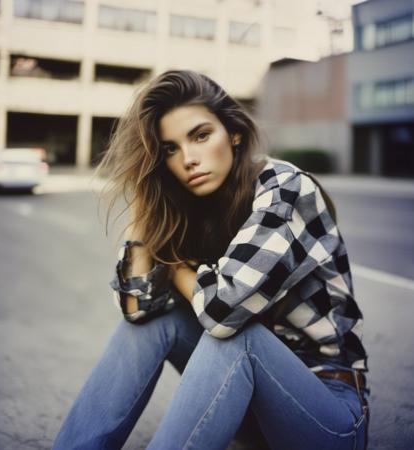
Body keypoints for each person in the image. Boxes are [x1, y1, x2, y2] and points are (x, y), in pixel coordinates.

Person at [52, 70, 370, 450]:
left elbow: (222, 312)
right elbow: (137, 309)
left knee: (237, 337)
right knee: (157, 322)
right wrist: (145, 200)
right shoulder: (195, 205)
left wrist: (172, 262)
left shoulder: (284, 189)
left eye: (201, 136)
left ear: (233, 133)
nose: (188, 159)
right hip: (253, 413)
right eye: (169, 149)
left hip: (329, 417)